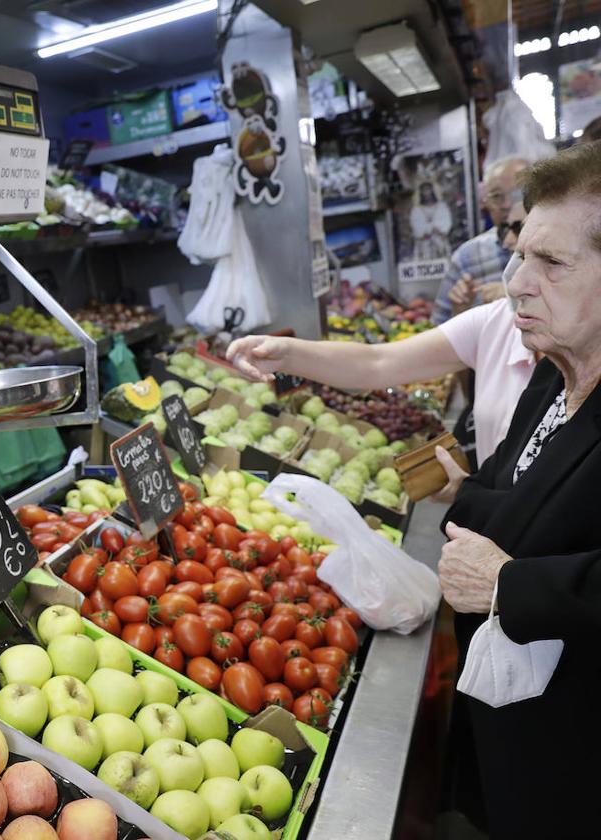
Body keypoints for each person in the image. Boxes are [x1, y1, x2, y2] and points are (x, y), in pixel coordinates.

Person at [436, 141, 601, 837]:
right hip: (523, 750)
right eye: (522, 255)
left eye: (552, 264)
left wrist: (512, 586)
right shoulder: (551, 375)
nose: (517, 283)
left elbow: (501, 516)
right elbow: (496, 491)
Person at [225, 230, 534, 485]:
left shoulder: (578, 367)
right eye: (520, 255)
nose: (516, 279)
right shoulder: (494, 323)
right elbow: (377, 362)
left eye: (548, 259)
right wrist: (286, 354)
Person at [432, 156, 529, 325]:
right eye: (497, 196)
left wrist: (510, 295)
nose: (507, 204)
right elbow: (439, 330)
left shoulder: (558, 244)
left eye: (517, 193)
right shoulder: (467, 256)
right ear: (485, 202)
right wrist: (459, 313)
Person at [408, 180, 452, 261]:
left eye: (428, 189)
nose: (426, 193)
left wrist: (437, 229)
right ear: (421, 192)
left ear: (433, 191)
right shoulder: (416, 210)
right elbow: (416, 228)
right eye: (424, 190)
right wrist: (427, 230)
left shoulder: (441, 207)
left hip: (440, 244)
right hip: (423, 246)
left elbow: (446, 224)